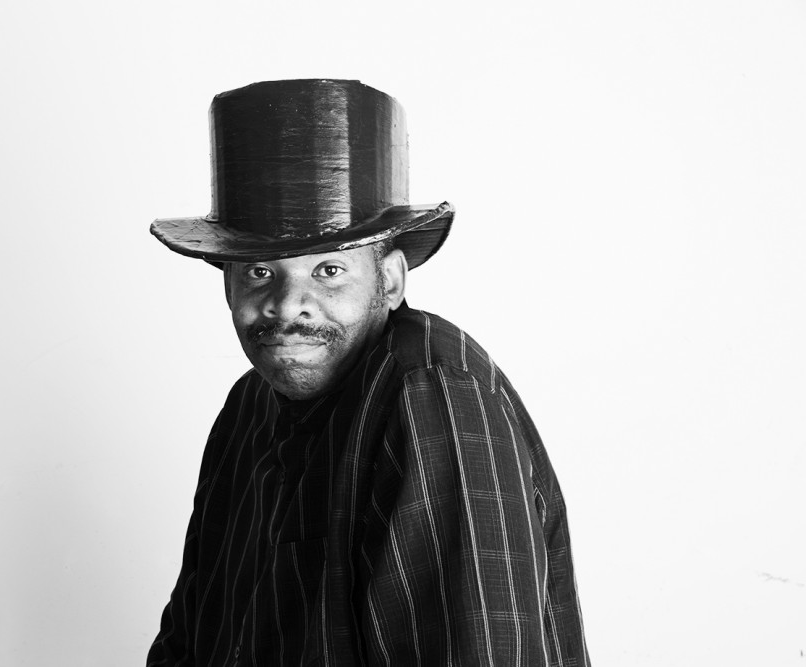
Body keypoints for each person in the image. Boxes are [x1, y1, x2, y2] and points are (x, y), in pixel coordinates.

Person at [147, 79, 590, 666]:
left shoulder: (432, 395)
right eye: (258, 272)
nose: (287, 304)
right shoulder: (247, 409)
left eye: (328, 270)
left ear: (390, 279)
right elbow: (187, 641)